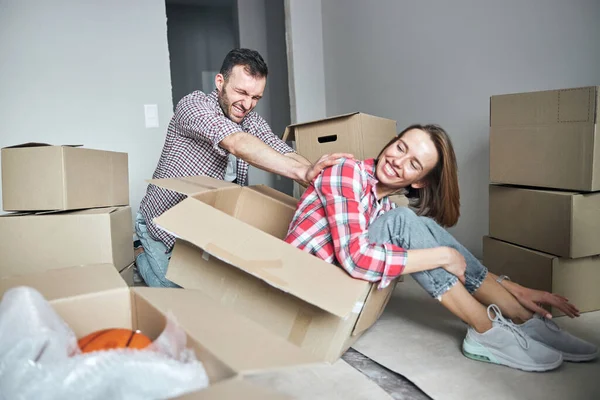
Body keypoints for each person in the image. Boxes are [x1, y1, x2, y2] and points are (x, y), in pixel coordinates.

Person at [284, 124, 598, 371]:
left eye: (413, 163)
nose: (397, 161)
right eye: (400, 147)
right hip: (303, 289)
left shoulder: (379, 204)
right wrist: (445, 257)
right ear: (391, 141)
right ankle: (485, 328)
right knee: (404, 222)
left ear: (419, 182)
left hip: (334, 283)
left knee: (419, 225)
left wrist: (511, 286)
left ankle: (520, 315)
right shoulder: (347, 171)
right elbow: (356, 259)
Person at [135, 48, 351, 287]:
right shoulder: (193, 106)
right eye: (241, 92)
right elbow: (237, 143)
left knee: (225, 288)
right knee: (177, 292)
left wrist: (321, 177)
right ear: (220, 82)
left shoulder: (251, 120)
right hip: (163, 224)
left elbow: (283, 151)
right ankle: (139, 253)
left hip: (203, 226)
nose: (247, 104)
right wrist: (301, 173)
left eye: (256, 97)